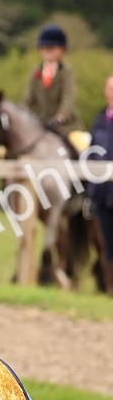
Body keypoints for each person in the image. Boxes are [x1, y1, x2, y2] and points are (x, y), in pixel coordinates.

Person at [22, 24, 82, 142]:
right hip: (40, 125)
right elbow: (28, 98)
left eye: (51, 48)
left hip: (64, 126)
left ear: (62, 49)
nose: (47, 51)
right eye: (43, 48)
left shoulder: (66, 72)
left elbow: (68, 97)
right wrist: (23, 115)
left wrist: (61, 116)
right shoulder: (35, 72)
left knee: (81, 145)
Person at [86, 74, 113, 294]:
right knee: (105, 242)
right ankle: (108, 286)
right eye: (110, 88)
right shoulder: (99, 119)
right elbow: (92, 152)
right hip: (102, 193)